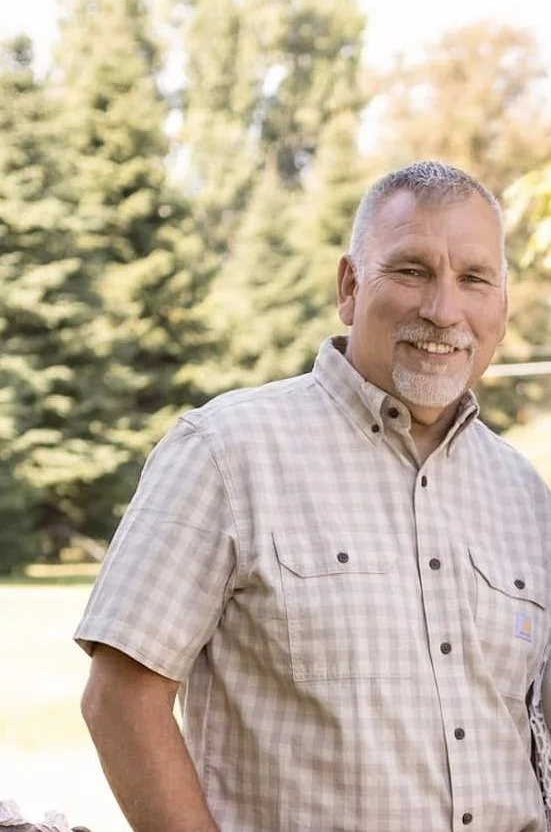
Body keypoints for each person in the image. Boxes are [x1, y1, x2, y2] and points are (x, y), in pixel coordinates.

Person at [75, 160, 551, 832]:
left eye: (474, 279)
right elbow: (120, 702)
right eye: (412, 271)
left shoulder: (524, 495)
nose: (444, 310)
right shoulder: (226, 451)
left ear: (502, 302)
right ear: (349, 287)